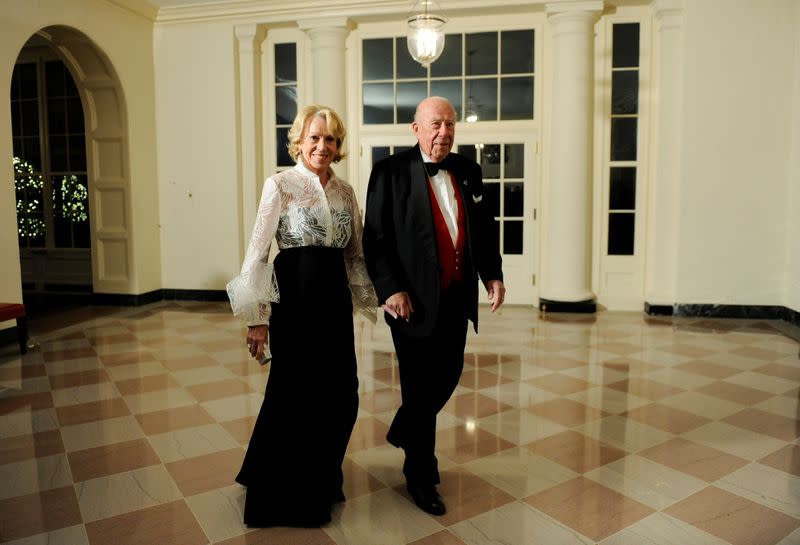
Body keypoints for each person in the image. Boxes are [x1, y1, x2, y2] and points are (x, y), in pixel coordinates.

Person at [226, 105, 376, 528]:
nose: (322, 146)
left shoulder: (345, 192)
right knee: (293, 395)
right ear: (299, 141)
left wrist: (377, 299)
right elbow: (257, 253)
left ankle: (322, 473)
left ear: (338, 145)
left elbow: (355, 252)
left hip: (333, 304)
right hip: (292, 301)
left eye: (330, 139)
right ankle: (282, 494)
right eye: (314, 137)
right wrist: (257, 317)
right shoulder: (280, 185)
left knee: (342, 393)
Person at [362, 96, 505, 516]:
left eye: (450, 124)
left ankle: (405, 428)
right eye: (435, 124)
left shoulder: (468, 170)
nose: (443, 132)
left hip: (456, 298)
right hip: (411, 302)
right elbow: (377, 240)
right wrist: (390, 290)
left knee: (450, 373)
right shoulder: (388, 173)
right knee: (420, 386)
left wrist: (491, 274)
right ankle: (420, 474)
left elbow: (483, 227)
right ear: (416, 128)